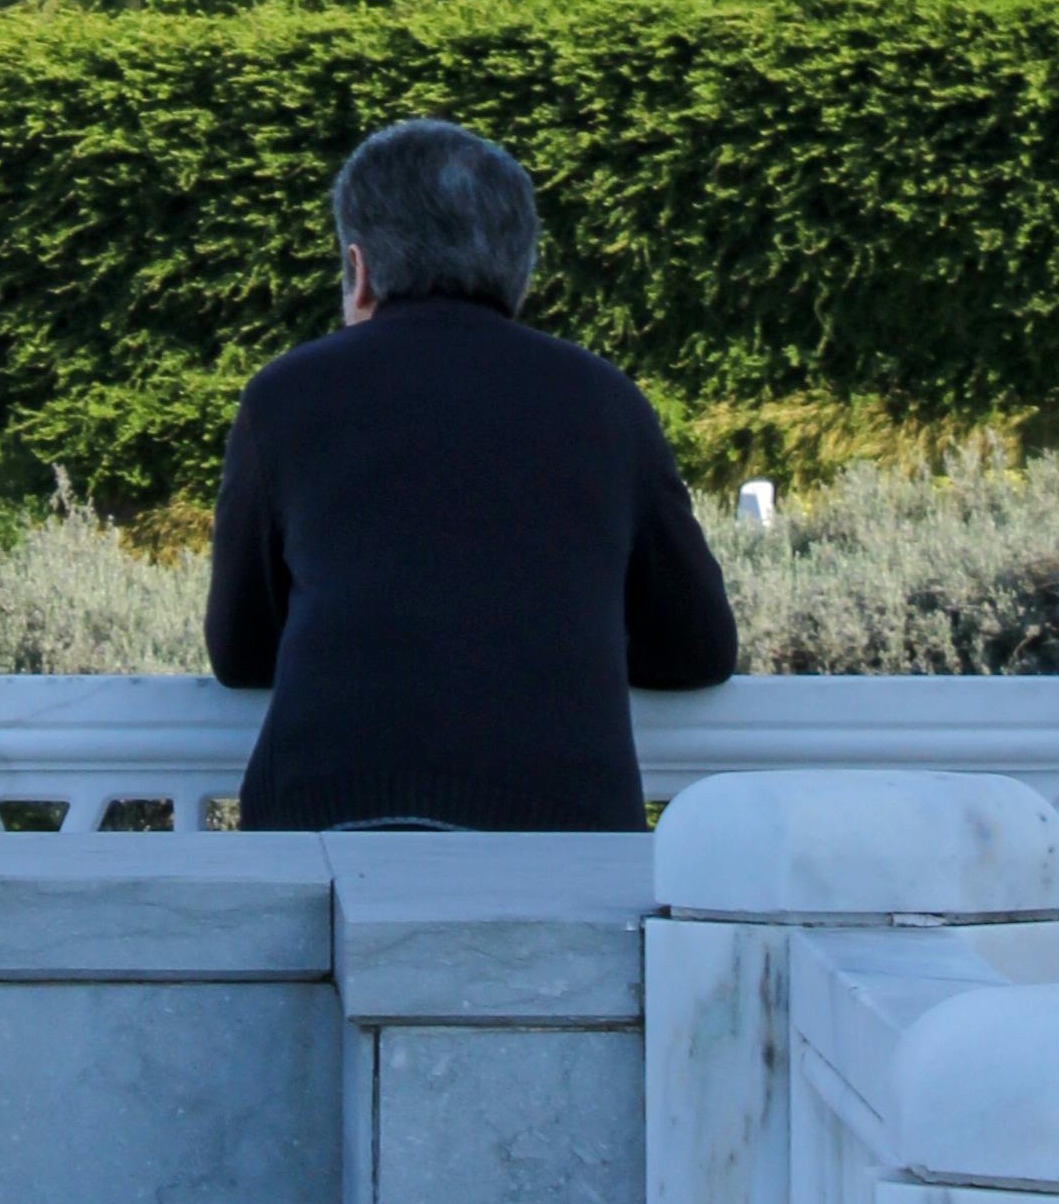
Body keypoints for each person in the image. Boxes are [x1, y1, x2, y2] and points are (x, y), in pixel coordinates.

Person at [204, 118, 738, 831]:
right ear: (519, 272)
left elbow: (241, 651)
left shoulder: (284, 396)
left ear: (358, 271)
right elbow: (696, 649)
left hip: (328, 822)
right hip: (562, 832)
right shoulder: (604, 400)